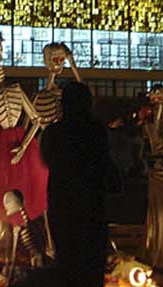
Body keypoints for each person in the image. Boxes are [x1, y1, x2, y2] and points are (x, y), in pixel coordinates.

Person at [41, 82, 113, 287]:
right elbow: (104, 164)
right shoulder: (96, 131)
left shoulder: (54, 133)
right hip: (92, 206)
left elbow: (48, 160)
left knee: (66, 261)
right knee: (91, 263)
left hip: (62, 204)